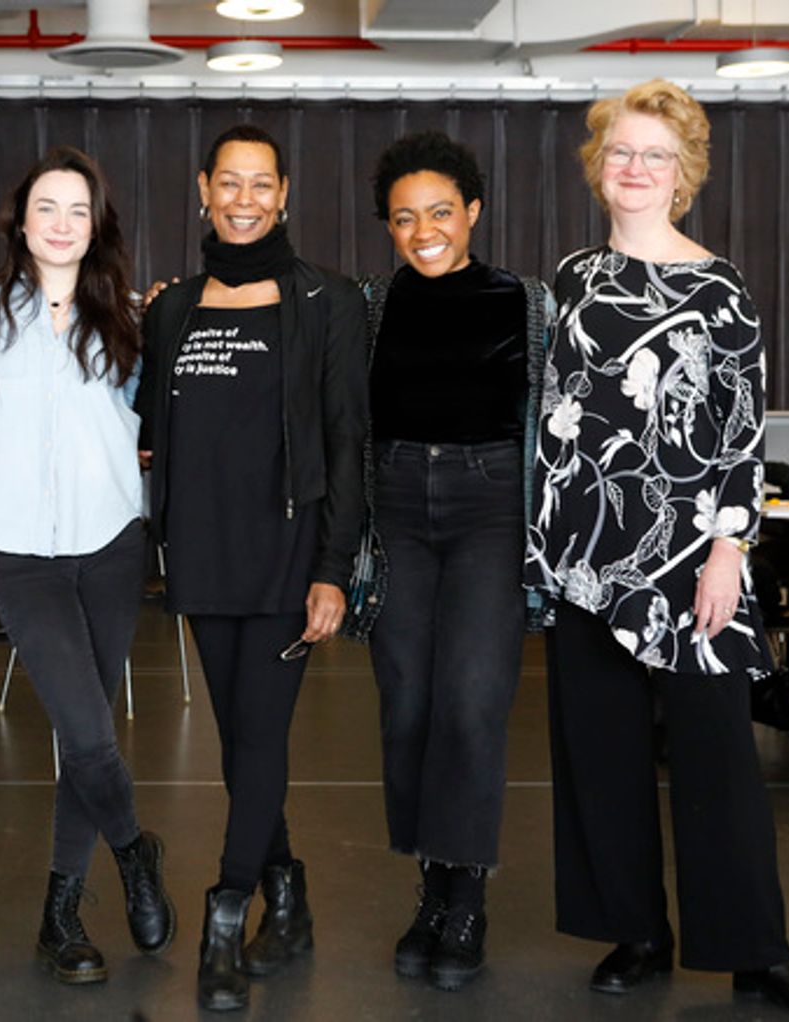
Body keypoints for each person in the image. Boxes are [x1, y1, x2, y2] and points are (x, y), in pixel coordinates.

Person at [526, 79, 789, 1019]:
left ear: (682, 173)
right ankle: (636, 932)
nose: (635, 167)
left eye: (654, 155)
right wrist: (545, 550)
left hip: (691, 558)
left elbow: (742, 432)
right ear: (599, 166)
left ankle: (757, 955)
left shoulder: (719, 286)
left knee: (718, 761)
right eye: (621, 151)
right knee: (602, 755)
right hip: (588, 555)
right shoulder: (571, 276)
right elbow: (556, 417)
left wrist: (730, 551)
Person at [137, 124, 367, 1012]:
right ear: (204, 190)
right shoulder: (173, 309)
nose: (244, 200)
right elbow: (152, 430)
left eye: (260, 184)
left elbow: (346, 440)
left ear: (283, 195)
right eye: (228, 183)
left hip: (286, 557)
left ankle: (226, 914)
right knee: (239, 742)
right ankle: (289, 894)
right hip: (201, 552)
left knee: (263, 736)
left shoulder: (326, 299)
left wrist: (333, 566)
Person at [0, 145, 174, 987]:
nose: (61, 223)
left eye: (77, 210)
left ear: (96, 226)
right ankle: (134, 851)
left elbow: (157, 422)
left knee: (86, 741)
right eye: (46, 207)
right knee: (84, 733)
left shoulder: (130, 316)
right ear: (20, 222)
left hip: (111, 544)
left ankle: (60, 915)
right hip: (19, 551)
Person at [350, 130, 552, 991]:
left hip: (489, 507)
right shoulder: (367, 305)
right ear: (388, 227)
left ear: (473, 211)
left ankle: (466, 901)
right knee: (408, 705)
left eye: (440, 212)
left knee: (470, 703)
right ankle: (430, 892)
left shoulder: (527, 303)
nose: (424, 231)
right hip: (396, 505)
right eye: (405, 218)